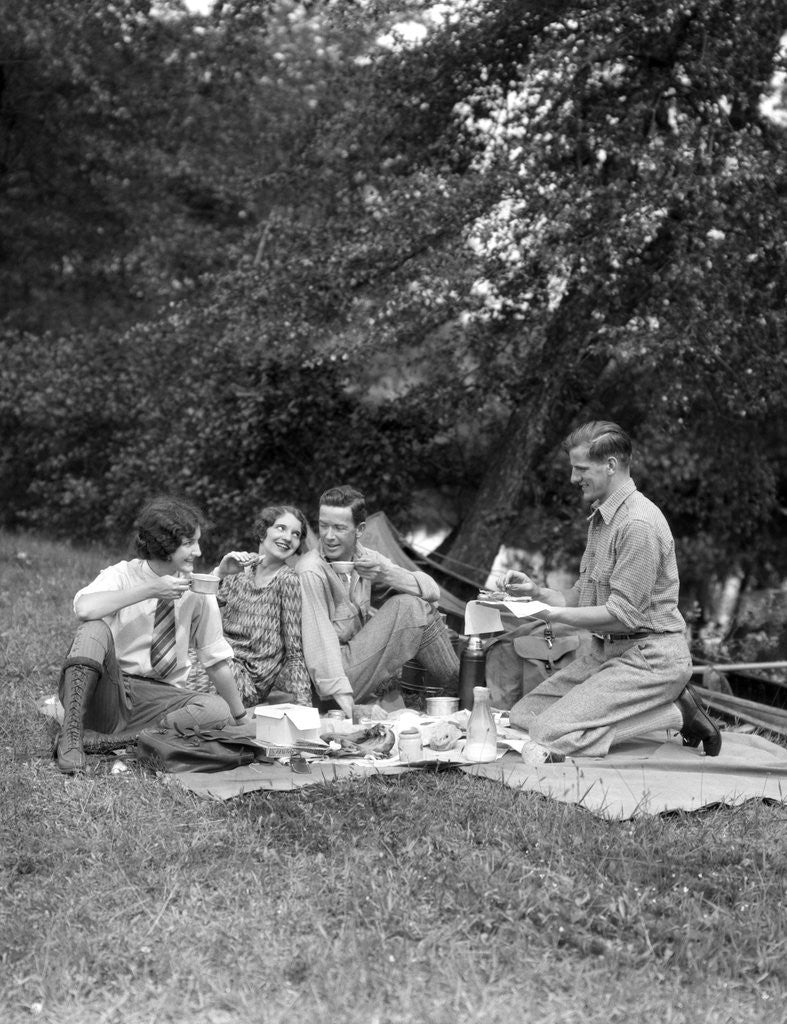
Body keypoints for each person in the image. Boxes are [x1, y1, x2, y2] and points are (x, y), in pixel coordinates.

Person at [503, 421, 721, 760]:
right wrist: (536, 594)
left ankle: (677, 712)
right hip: (607, 653)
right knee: (523, 716)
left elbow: (621, 617)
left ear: (611, 465)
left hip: (650, 659)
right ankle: (659, 709)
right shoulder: (603, 517)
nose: (574, 479)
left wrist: (552, 616)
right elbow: (578, 595)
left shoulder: (637, 524)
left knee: (547, 734)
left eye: (580, 469)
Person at [55, 496, 250, 774]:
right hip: (112, 691)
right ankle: (71, 736)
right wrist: (150, 590)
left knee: (217, 710)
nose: (198, 550)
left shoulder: (198, 589)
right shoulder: (123, 575)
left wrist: (240, 718)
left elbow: (216, 660)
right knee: (93, 629)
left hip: (161, 699)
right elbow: (85, 608)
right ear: (165, 544)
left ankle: (106, 743)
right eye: (189, 543)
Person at [296, 485, 459, 718]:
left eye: (339, 528)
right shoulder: (311, 571)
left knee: (421, 604)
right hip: (334, 682)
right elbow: (320, 651)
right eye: (323, 525)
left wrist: (385, 574)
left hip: (358, 667)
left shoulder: (364, 558)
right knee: (409, 606)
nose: (329, 536)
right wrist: (350, 710)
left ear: (359, 530)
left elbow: (432, 591)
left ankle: (463, 693)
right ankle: (467, 696)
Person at [190, 505, 312, 707]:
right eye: (281, 528)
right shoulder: (239, 571)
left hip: (246, 680)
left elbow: (295, 652)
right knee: (180, 661)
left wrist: (304, 707)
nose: (288, 537)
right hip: (219, 661)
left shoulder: (287, 580)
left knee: (193, 673)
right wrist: (220, 573)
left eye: (296, 534)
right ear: (263, 531)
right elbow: (198, 613)